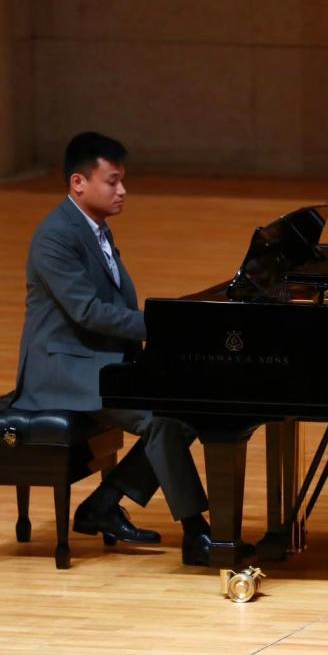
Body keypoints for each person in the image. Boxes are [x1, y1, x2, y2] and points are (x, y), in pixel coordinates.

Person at [7, 132, 215, 565]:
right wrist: (164, 327)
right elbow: (87, 311)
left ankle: (104, 503)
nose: (122, 191)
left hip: (99, 362)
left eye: (122, 181)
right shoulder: (55, 237)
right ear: (79, 183)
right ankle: (197, 533)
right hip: (62, 373)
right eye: (113, 181)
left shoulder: (94, 229)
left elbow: (113, 305)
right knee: (162, 419)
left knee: (188, 410)